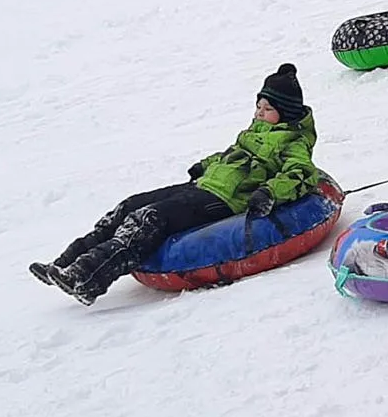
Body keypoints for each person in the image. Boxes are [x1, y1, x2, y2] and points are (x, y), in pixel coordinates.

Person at [30, 65, 317, 305]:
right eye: (258, 106)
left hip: (225, 199)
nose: (258, 113)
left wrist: (269, 192)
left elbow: (301, 173)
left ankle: (87, 278)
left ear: (286, 112)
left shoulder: (293, 141)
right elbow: (230, 154)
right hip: (204, 185)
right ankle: (65, 262)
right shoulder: (255, 131)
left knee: (150, 218)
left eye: (267, 109)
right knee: (129, 206)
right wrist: (206, 164)